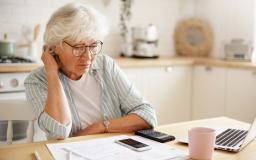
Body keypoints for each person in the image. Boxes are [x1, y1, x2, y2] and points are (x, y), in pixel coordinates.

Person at [24, 3, 157, 140]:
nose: (88, 57)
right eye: (78, 47)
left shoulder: (106, 66)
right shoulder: (36, 81)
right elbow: (59, 131)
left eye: (93, 45)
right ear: (54, 47)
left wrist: (100, 127)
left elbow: (147, 115)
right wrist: (52, 73)